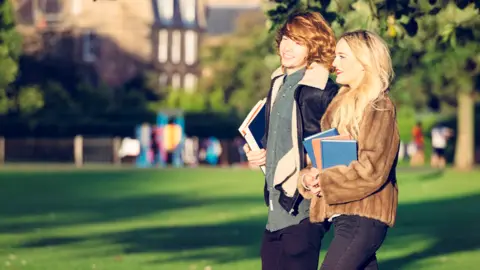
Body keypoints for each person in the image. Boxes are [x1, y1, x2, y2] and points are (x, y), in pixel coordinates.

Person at [243, 11, 338, 270]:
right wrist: (257, 152)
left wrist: (311, 178)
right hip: (275, 209)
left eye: (297, 41)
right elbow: (275, 137)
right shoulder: (278, 83)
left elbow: (338, 147)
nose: (286, 46)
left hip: (303, 208)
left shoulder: (321, 90)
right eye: (285, 37)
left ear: (314, 45)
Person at [299, 30, 400, 270]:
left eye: (342, 57)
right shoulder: (339, 106)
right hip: (344, 216)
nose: (334, 64)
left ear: (364, 62)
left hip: (364, 217)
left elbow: (372, 170)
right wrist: (309, 176)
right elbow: (326, 160)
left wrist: (326, 180)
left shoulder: (379, 107)